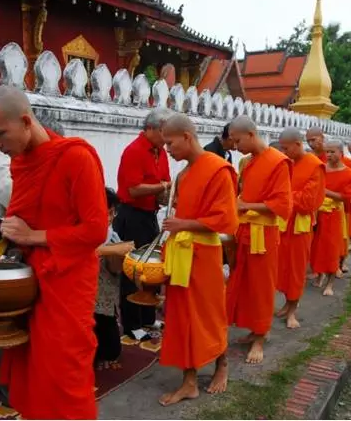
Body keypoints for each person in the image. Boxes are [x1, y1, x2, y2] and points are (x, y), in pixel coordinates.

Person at [0, 86, 109, 420]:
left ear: (25, 121)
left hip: (67, 282)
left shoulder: (75, 157)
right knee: (31, 369)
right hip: (29, 283)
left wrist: (32, 235)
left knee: (65, 370)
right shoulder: (22, 162)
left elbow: (95, 230)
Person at [158, 114, 238, 406]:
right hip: (181, 253)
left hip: (204, 255)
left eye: (170, 142)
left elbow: (226, 220)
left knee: (209, 314)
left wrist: (184, 224)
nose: (167, 149)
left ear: (187, 137)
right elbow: (184, 211)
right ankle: (189, 381)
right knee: (182, 319)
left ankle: (222, 365)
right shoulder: (184, 174)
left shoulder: (219, 169)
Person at [226, 115, 292, 364]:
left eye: (237, 140)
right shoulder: (247, 162)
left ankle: (260, 338)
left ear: (251, 135)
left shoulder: (278, 162)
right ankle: (253, 328)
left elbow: (282, 204)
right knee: (245, 284)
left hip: (263, 236)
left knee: (262, 287)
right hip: (244, 232)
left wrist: (245, 206)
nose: (235, 146)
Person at [114, 109, 173, 341]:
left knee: (153, 266)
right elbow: (133, 189)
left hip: (150, 214)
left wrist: (168, 193)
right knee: (133, 269)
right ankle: (131, 324)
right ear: (151, 129)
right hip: (131, 214)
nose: (167, 137)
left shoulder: (161, 152)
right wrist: (163, 187)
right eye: (164, 131)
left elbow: (164, 184)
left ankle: (148, 317)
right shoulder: (134, 151)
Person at [275, 127, 325, 328]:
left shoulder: (315, 166)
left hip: (300, 226)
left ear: (298, 144)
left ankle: (293, 310)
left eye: (286, 148)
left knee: (296, 269)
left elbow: (308, 202)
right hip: (283, 223)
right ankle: (288, 303)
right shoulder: (286, 164)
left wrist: (285, 196)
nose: (284, 152)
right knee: (283, 267)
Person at [310, 141, 351, 296]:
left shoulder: (349, 173)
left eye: (332, 152)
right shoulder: (321, 169)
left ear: (340, 152)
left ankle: (330, 283)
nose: (329, 155)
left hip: (335, 213)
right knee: (317, 246)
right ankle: (319, 274)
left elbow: (346, 197)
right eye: (327, 152)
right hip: (319, 212)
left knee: (332, 248)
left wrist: (324, 191)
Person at [94, 188, 134, 370]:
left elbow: (115, 269)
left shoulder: (113, 236)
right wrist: (110, 250)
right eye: (105, 213)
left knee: (111, 350)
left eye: (112, 213)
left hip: (105, 304)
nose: (110, 218)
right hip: (83, 302)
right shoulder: (80, 231)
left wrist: (119, 255)